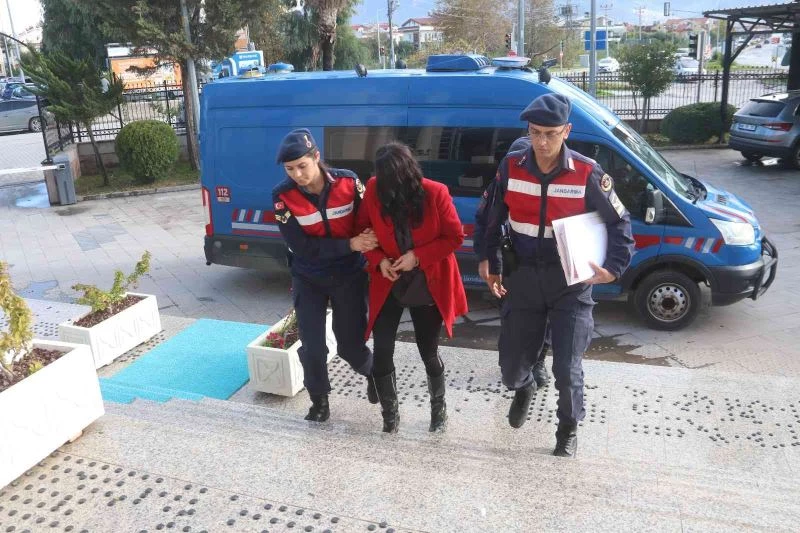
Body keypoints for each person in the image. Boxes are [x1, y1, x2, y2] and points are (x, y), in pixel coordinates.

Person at [484, 94, 634, 457]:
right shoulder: (511, 166)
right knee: (509, 369)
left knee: (567, 369)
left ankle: (567, 427)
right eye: (535, 133)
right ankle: (524, 386)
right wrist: (489, 261)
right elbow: (488, 219)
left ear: (566, 131)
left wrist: (613, 268)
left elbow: (621, 223)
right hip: (522, 279)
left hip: (571, 283)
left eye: (551, 134)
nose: (542, 142)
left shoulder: (587, 172)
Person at [355, 142, 468, 434]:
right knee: (381, 350)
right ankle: (390, 416)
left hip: (426, 280)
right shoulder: (373, 187)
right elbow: (363, 233)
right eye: (382, 181)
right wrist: (378, 261)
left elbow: (455, 236)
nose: (386, 188)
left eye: (392, 182)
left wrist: (417, 257)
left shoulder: (435, 193)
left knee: (427, 350)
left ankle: (438, 409)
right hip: (388, 280)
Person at [272, 128, 379, 422]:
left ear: (317, 157)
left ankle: (373, 373)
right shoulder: (282, 197)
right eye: (290, 169)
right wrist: (351, 244)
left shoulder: (348, 182)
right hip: (309, 277)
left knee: (350, 346)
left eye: (302, 166)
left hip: (348, 275)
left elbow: (368, 217)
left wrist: (368, 238)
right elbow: (301, 247)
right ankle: (319, 402)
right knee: (314, 347)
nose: (297, 174)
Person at [473, 135, 551, 388]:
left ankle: (538, 363)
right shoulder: (499, 184)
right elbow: (484, 223)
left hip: (542, 265)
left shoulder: (546, 184)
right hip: (509, 265)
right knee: (511, 317)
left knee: (545, 317)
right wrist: (485, 257)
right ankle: (510, 360)